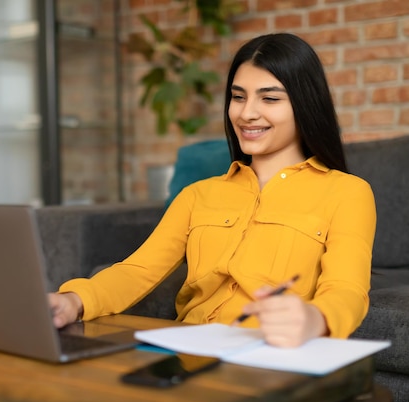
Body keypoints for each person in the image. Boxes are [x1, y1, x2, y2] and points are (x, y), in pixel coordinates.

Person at [48, 33, 376, 348]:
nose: (246, 113)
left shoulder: (348, 193)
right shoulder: (197, 195)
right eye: (237, 96)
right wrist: (74, 301)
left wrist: (315, 319)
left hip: (268, 354)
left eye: (270, 98)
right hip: (188, 349)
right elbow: (138, 270)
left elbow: (346, 289)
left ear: (305, 104)